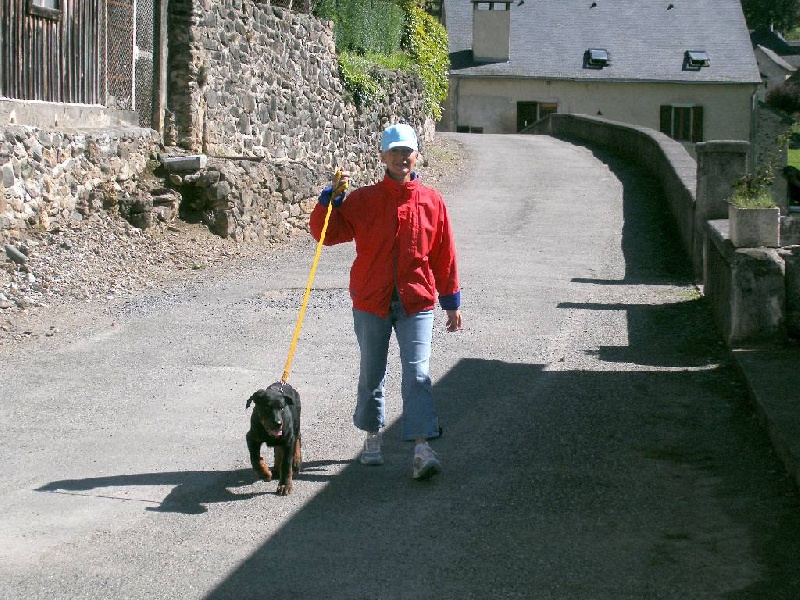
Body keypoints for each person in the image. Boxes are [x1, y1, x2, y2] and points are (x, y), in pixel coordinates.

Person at [309, 121, 462, 480]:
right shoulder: (363, 200)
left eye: (407, 151)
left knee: (418, 374)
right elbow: (325, 234)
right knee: (371, 373)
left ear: (416, 155)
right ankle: (372, 435)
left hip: (417, 301)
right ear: (382, 155)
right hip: (371, 300)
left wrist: (451, 301)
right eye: (394, 151)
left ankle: (422, 447)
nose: (401, 158)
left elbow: (445, 254)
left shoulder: (432, 201)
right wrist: (327, 200)